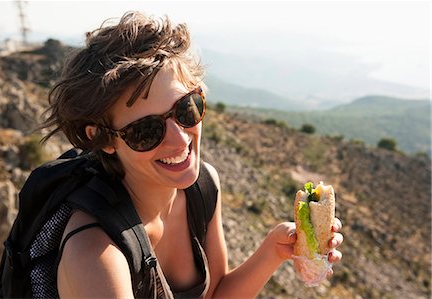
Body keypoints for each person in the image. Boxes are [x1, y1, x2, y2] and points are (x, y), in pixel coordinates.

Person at [41, 11, 343, 298]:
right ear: (104, 138)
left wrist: (274, 250)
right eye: (146, 131)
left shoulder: (202, 186)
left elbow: (215, 295)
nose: (180, 138)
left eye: (187, 108)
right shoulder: (94, 255)